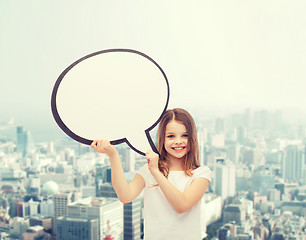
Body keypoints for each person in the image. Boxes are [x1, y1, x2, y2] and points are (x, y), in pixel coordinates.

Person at [91, 108, 212, 240]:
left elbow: (182, 205)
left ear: (193, 138)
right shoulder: (147, 169)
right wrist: (113, 154)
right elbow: (125, 196)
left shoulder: (201, 173)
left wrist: (155, 171)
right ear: (162, 138)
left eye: (185, 135)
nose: (178, 141)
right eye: (171, 136)